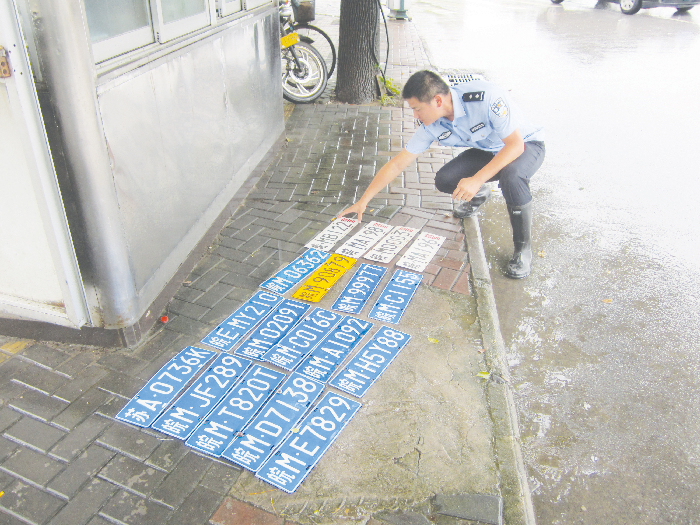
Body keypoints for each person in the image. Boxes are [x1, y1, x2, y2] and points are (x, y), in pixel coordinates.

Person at [337, 70, 545, 279]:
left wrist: (476, 179)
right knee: (445, 180)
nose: (415, 116)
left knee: (512, 177)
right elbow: (397, 164)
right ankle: (479, 194)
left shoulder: (486, 98)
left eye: (417, 109)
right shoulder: (432, 124)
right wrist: (363, 201)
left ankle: (523, 250)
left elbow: (515, 146)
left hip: (525, 145)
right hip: (488, 151)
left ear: (437, 101)